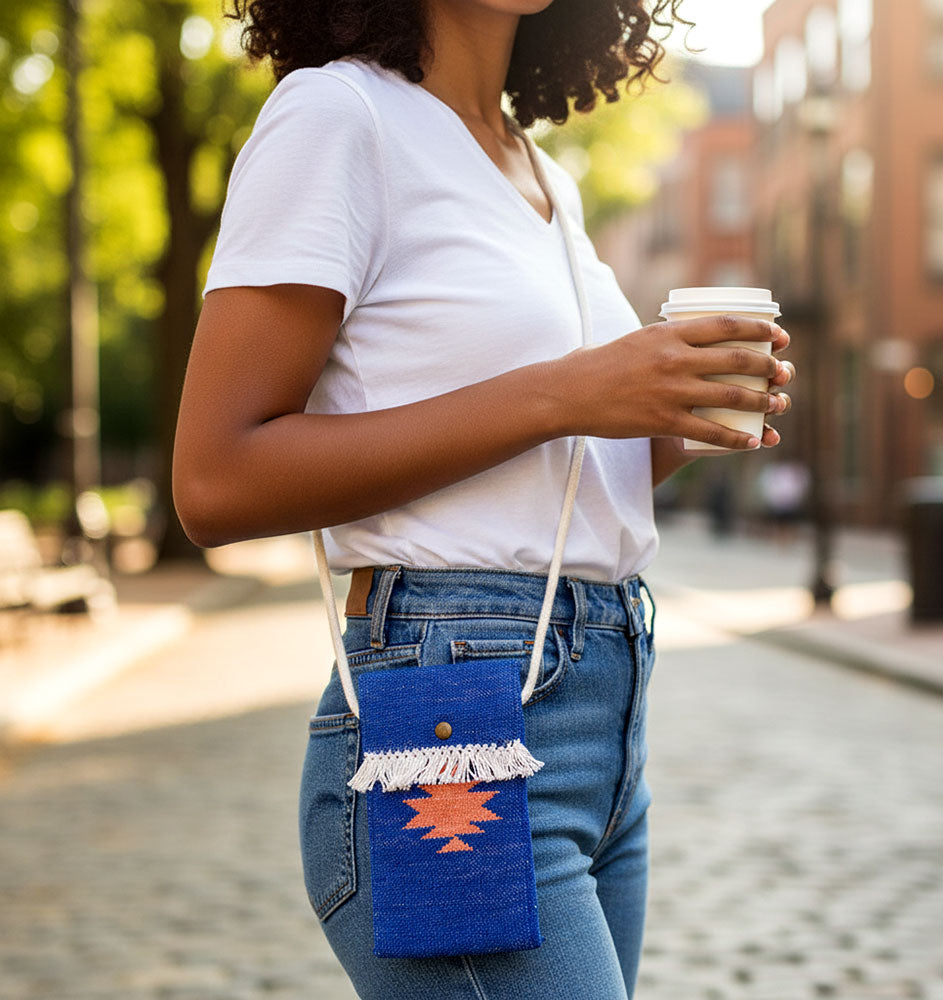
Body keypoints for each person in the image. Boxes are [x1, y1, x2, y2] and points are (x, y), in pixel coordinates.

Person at [172, 2, 794, 997]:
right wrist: (569, 391)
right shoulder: (337, 118)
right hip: (447, 705)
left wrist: (673, 420)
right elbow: (215, 479)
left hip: (603, 704)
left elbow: (552, 473)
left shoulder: (544, 174)